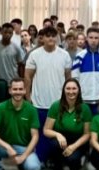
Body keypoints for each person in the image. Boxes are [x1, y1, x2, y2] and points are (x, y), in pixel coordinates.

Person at [24, 26, 72, 162]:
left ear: (57, 37)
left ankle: (58, 161)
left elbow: (68, 78)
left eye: (53, 36)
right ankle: (41, 159)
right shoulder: (34, 55)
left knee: (59, 134)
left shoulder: (64, 55)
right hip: (39, 103)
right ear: (42, 38)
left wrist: (68, 100)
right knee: (41, 134)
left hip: (59, 104)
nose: (51, 38)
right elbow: (27, 77)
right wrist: (28, 98)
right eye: (47, 36)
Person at [43, 79, 92, 170]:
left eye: (74, 88)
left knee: (72, 160)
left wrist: (73, 146)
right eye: (68, 88)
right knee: (54, 145)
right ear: (63, 90)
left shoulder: (85, 108)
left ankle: (76, 166)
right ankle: (58, 169)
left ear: (78, 90)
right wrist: (58, 135)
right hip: (61, 141)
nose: (71, 91)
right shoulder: (55, 106)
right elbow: (46, 130)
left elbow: (87, 134)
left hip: (77, 141)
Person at [72, 27, 99, 113]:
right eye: (91, 37)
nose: (93, 40)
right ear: (86, 38)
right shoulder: (79, 56)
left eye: (96, 38)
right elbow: (75, 77)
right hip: (84, 99)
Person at [0, 23, 25, 96]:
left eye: (10, 33)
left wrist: (21, 79)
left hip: (13, 82)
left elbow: (21, 64)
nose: (7, 34)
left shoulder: (16, 47)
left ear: (12, 34)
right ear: (1, 32)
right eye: (5, 32)